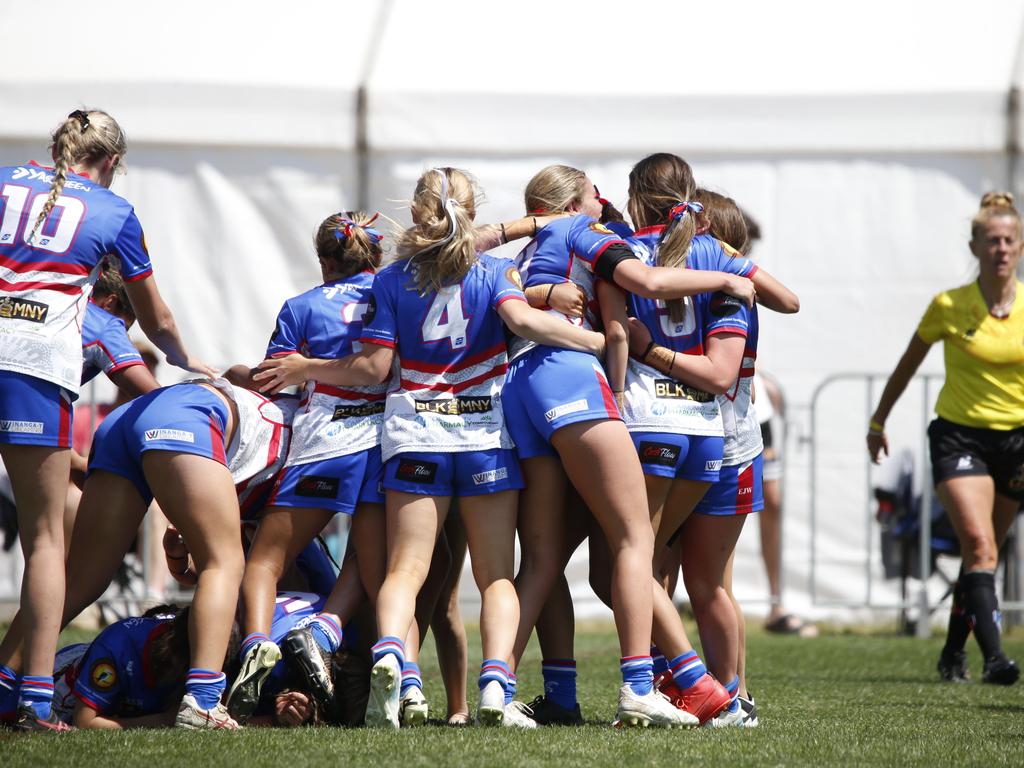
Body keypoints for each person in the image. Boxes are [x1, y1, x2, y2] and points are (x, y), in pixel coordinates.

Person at [256, 167, 609, 728]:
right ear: (472, 210)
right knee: (495, 575)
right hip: (483, 438)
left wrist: (307, 367)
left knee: (406, 571)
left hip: (414, 434)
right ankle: (496, 685)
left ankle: (394, 659)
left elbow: (373, 369)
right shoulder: (495, 272)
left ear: (418, 212)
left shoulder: (391, 280)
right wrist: (596, 340)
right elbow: (525, 322)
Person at [0, 109, 212, 732]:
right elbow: (157, 322)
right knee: (45, 540)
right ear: (113, 162)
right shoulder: (115, 213)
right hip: (33, 362)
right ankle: (34, 700)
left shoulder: (7, 178)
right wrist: (188, 360)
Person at [0, 376, 294, 730]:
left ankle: (3, 688)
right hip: (185, 419)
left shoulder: (281, 405)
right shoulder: (316, 442)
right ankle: (202, 701)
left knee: (79, 581)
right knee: (226, 564)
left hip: (129, 418)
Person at [229, 211, 389, 724]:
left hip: (323, 444)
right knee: (368, 561)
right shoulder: (393, 293)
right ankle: (325, 631)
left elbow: (273, 380)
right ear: (375, 255)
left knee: (265, 562)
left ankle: (256, 643)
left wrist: (237, 374)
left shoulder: (300, 306)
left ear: (324, 261)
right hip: (384, 444)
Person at [868, 192, 1023, 686]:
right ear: (974, 246)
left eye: (1009, 241)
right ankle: (995, 659)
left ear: (1020, 248)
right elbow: (906, 366)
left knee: (985, 557)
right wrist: (877, 421)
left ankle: (952, 652)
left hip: (1016, 441)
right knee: (978, 545)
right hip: (959, 437)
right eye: (992, 240)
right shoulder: (949, 305)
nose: (1001, 248)